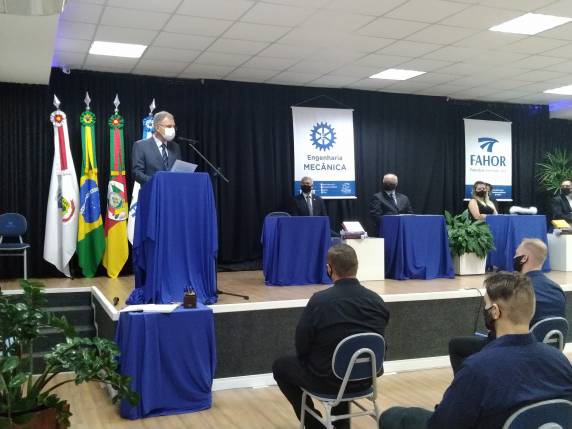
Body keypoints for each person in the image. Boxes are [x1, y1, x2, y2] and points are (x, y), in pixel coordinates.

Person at [380, 271, 572, 429]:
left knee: (393, 417)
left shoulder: (478, 368)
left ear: (495, 312)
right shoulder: (560, 360)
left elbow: (441, 425)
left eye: (486, 304)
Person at [272, 244, 389, 429]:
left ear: (329, 269)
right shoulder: (377, 301)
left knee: (281, 366)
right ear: (356, 267)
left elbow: (301, 344)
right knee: (340, 362)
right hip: (366, 379)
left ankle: (314, 425)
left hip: (328, 382)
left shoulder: (320, 301)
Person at [449, 238, 567, 374]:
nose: (514, 257)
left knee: (455, 345)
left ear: (524, 258)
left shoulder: (519, 289)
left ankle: (469, 380)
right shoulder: (557, 289)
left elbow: (503, 326)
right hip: (548, 352)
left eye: (516, 254)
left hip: (513, 348)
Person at [131, 111, 181, 185]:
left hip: (172, 189)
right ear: (157, 127)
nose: (172, 129)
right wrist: (155, 182)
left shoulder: (175, 146)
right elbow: (136, 173)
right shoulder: (141, 145)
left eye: (174, 127)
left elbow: (179, 171)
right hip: (152, 189)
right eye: (169, 126)